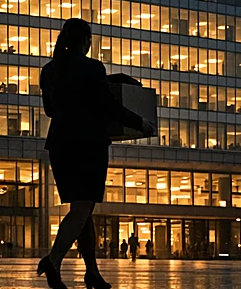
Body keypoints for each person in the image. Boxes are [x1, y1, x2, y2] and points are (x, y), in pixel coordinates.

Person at [36, 18, 156, 289]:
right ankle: (53, 260)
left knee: (82, 210)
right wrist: (140, 122)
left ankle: (92, 273)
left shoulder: (49, 70)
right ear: (85, 41)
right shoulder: (92, 68)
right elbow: (108, 105)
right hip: (88, 143)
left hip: (59, 144)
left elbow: (50, 111)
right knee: (83, 207)